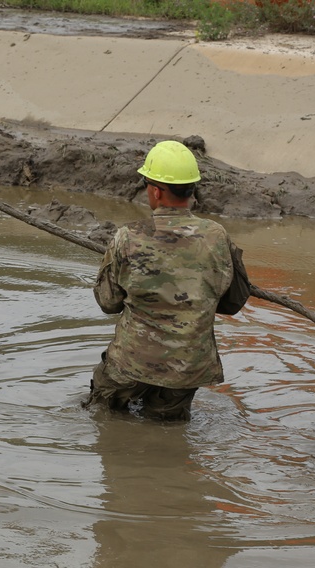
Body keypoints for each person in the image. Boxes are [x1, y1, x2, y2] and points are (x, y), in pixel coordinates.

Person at [86, 140, 249, 421]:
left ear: (156, 191)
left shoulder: (127, 236)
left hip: (131, 364)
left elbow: (108, 303)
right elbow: (233, 302)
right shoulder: (218, 236)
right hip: (187, 369)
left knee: (101, 417)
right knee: (169, 429)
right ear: (191, 189)